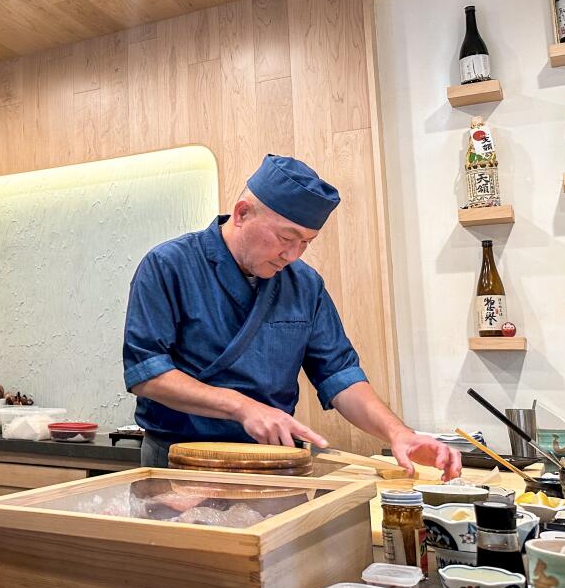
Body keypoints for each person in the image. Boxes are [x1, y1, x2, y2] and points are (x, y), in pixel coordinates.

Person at [123, 154, 461, 480]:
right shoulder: (169, 265)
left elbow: (340, 374)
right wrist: (242, 407)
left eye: (306, 242)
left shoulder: (305, 284)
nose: (292, 255)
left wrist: (397, 433)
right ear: (242, 214)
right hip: (179, 461)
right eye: (286, 238)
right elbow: (147, 374)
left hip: (275, 463)